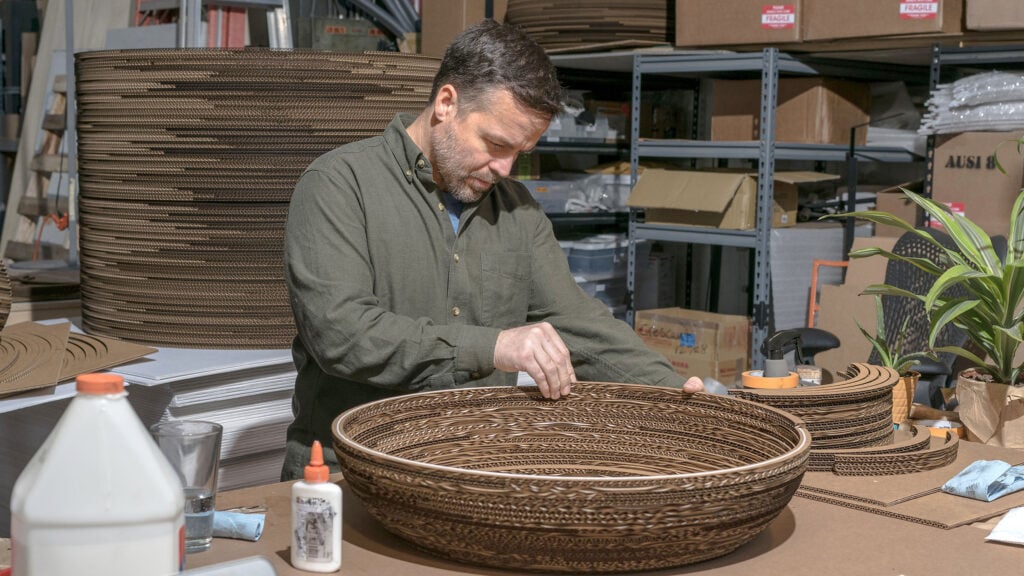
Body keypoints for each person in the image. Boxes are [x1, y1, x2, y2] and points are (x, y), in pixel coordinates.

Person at [281, 19, 703, 480]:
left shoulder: (517, 210)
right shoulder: (340, 186)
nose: (505, 168)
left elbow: (578, 325)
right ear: (446, 103)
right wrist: (494, 346)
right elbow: (342, 336)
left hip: (470, 469)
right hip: (348, 473)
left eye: (519, 152)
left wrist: (677, 391)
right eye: (495, 144)